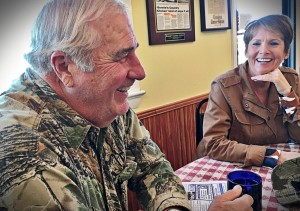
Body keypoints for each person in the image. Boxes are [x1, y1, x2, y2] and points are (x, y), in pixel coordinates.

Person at [0, 0, 253, 210]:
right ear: (65, 66)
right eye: (122, 55)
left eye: (134, 51)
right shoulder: (21, 150)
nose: (140, 71)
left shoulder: (103, 101)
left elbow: (152, 168)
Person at [197, 14, 300, 168]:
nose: (264, 50)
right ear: (246, 50)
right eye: (256, 43)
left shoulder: (290, 79)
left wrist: (287, 93)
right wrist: (273, 156)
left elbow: (298, 136)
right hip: (227, 167)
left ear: (286, 52)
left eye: (273, 43)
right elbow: (214, 144)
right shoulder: (223, 85)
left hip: (274, 169)